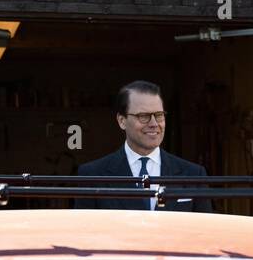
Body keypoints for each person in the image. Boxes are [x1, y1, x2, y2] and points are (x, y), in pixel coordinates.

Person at [75, 80, 214, 212]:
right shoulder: (92, 175)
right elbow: (84, 233)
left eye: (159, 115)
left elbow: (206, 232)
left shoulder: (193, 175)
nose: (154, 123)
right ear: (122, 121)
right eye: (143, 116)